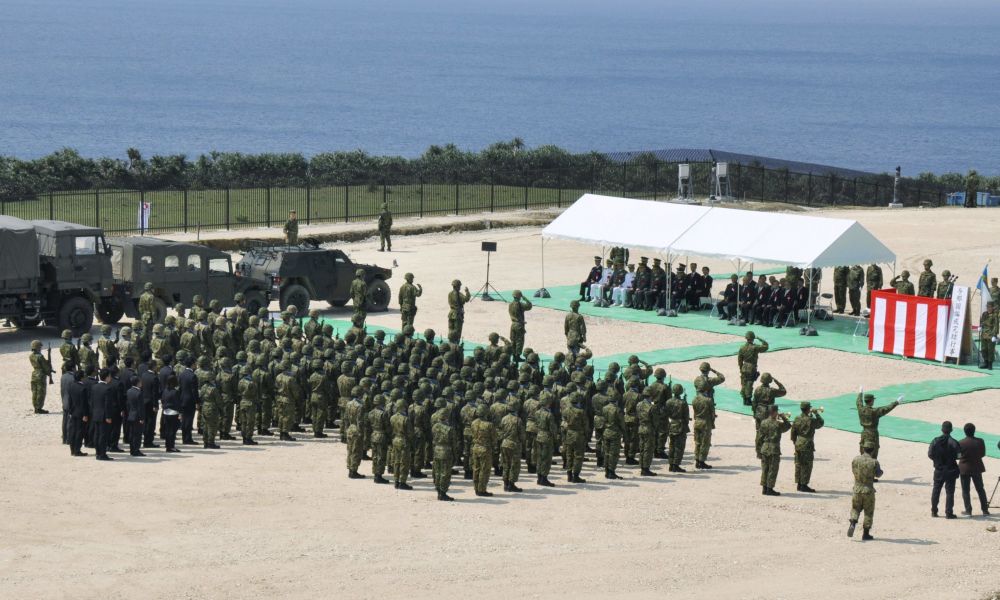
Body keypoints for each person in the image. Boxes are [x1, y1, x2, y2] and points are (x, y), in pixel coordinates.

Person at [848, 442, 882, 541]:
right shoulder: (874, 462)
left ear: (863, 449)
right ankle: (866, 533)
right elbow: (878, 474)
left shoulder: (855, 459)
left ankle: (853, 523)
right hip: (868, 490)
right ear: (872, 450)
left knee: (855, 508)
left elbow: (853, 470)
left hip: (857, 489)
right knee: (868, 512)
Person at [928, 421, 961, 519]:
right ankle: (949, 513)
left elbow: (930, 454)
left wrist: (937, 460)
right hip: (951, 470)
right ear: (951, 430)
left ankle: (934, 511)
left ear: (942, 429)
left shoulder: (935, 441)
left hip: (939, 469)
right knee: (950, 492)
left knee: (936, 490)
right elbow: (959, 456)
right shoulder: (954, 442)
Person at [790, 402, 824, 492]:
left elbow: (793, 432)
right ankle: (804, 485)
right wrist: (816, 413)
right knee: (807, 465)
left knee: (798, 464)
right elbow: (821, 423)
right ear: (808, 409)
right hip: (807, 444)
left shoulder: (797, 418)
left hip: (798, 443)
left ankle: (799, 483)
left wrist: (795, 442)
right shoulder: (811, 420)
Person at [856, 389, 899, 460]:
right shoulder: (874, 412)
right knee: (873, 453)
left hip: (864, 433)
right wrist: (896, 402)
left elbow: (858, 402)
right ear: (871, 401)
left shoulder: (861, 409)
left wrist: (860, 393)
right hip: (873, 434)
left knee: (863, 452)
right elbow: (886, 408)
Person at [958, 423, 990, 516]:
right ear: (974, 430)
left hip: (964, 469)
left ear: (965, 431)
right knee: (980, 489)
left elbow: (958, 456)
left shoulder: (960, 442)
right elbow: (983, 454)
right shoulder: (980, 441)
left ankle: (968, 510)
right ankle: (985, 510)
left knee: (965, 490)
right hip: (977, 467)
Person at [758, 405, 791, 495]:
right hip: (774, 449)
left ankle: (764, 488)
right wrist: (783, 417)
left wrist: (759, 450)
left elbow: (759, 438)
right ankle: (770, 489)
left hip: (764, 448)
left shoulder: (763, 422)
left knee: (765, 469)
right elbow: (788, 426)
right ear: (775, 412)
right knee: (773, 470)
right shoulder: (778, 424)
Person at [471, 404, 497, 496]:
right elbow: (494, 439)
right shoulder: (489, 425)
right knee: (484, 470)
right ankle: (482, 490)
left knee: (476, 469)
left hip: (475, 448)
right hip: (485, 449)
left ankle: (476, 488)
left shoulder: (473, 423)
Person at [499, 401, 524, 492]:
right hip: (514, 445)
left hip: (505, 443)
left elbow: (501, 432)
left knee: (506, 464)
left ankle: (505, 484)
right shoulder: (518, 420)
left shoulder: (504, 419)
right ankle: (511, 484)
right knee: (514, 465)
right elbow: (522, 435)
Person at [737, 331, 768, 406]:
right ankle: (748, 399)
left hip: (744, 366)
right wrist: (760, 338)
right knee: (749, 383)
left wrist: (741, 368)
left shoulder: (742, 347)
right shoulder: (755, 347)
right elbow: (766, 346)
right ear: (753, 338)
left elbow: (739, 359)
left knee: (744, 383)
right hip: (751, 367)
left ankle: (744, 398)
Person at [90, 368, 115, 461]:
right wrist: (108, 416)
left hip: (95, 414)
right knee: (103, 435)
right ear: (107, 377)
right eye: (110, 376)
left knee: (97, 434)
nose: (110, 378)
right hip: (104, 415)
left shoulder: (94, 386)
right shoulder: (108, 388)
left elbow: (91, 401)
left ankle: (98, 452)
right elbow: (107, 404)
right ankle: (102, 454)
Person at [691, 377, 716, 469]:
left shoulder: (694, 399)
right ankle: (702, 461)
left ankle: (697, 460)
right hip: (705, 423)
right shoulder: (708, 400)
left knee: (697, 442)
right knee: (705, 443)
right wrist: (712, 421)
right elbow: (712, 413)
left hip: (697, 421)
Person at [389, 399, 413, 490]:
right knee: (404, 462)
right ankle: (402, 482)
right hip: (404, 441)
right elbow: (410, 433)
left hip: (395, 440)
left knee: (396, 461)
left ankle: (396, 481)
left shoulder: (392, 417)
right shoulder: (406, 419)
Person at [67, 370, 89, 457]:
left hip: (73, 412)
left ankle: (72, 449)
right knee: (80, 432)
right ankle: (77, 450)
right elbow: (84, 403)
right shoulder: (83, 388)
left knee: (73, 431)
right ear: (82, 378)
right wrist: (85, 414)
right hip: (81, 413)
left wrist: (70, 411)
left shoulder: (71, 385)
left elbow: (70, 400)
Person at [28, 340, 52, 414]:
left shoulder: (31, 356)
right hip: (41, 375)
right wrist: (49, 372)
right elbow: (45, 367)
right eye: (40, 347)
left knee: (34, 391)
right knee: (41, 392)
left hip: (34, 374)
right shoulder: (40, 356)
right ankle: (39, 408)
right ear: (37, 347)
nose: (41, 348)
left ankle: (35, 406)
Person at [508, 290, 532, 362]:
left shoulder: (510, 304)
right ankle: (517, 356)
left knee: (513, 341)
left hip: (513, 324)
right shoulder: (520, 304)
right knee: (519, 341)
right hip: (519, 325)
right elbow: (529, 306)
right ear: (519, 296)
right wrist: (525, 298)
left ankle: (513, 355)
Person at [161, 373, 181, 452]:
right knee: (172, 431)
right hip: (173, 413)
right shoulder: (175, 392)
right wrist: (180, 413)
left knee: (167, 430)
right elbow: (177, 403)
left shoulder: (165, 391)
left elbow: (162, 400)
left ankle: (168, 445)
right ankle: (171, 446)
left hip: (166, 412)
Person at [447, 280, 472, 344]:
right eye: (459, 286)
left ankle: (450, 342)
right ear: (457, 286)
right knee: (457, 331)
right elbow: (466, 299)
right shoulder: (459, 294)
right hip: (457, 314)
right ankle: (456, 344)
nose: (460, 287)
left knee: (450, 329)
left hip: (451, 313)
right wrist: (467, 292)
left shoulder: (450, 294)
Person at [125, 376, 145, 456]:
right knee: (137, 434)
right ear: (137, 383)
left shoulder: (129, 391)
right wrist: (142, 418)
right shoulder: (139, 393)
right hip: (137, 416)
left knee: (132, 433)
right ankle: (136, 450)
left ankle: (132, 449)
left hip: (131, 414)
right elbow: (140, 407)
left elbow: (127, 404)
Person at [979, 301, 998, 369]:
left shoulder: (994, 315)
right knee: (983, 349)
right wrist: (980, 327)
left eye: (990, 307)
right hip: (984, 334)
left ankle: (990, 364)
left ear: (993, 307)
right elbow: (981, 322)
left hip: (991, 335)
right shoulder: (984, 314)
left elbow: (996, 326)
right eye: (987, 307)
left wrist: (994, 335)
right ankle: (985, 362)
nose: (988, 308)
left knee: (990, 350)